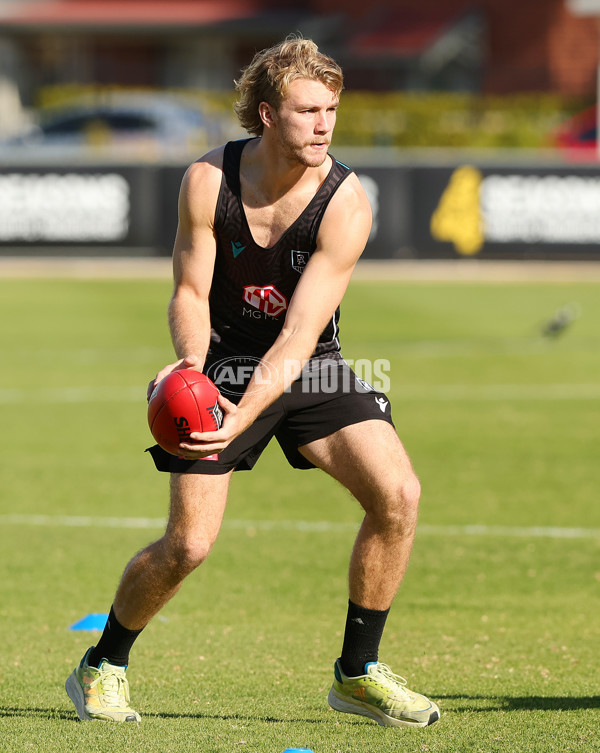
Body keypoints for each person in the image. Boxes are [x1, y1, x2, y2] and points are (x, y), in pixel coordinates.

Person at [65, 35, 440, 729]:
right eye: (307, 111)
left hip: (310, 363)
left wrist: (246, 413)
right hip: (220, 360)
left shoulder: (346, 202)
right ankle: (102, 664)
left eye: (331, 109)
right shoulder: (209, 180)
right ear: (267, 114)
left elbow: (299, 337)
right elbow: (187, 291)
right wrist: (189, 363)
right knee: (188, 545)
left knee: (398, 493)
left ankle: (357, 673)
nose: (324, 124)